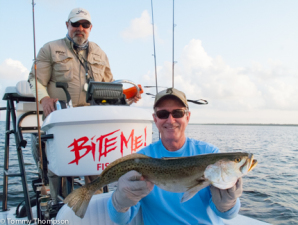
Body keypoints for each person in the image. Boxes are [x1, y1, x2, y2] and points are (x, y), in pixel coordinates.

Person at [27, 7, 140, 202]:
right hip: (61, 121)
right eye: (76, 24)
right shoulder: (50, 48)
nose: (80, 28)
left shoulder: (100, 53)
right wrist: (45, 99)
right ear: (67, 25)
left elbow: (110, 89)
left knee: (96, 169)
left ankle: (92, 207)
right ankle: (58, 205)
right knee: (58, 167)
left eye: (85, 25)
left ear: (90, 27)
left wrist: (127, 99)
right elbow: (35, 80)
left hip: (93, 124)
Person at [107, 88, 243, 224]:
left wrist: (228, 203)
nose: (170, 120)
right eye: (162, 114)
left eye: (178, 113)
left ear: (187, 117)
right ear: (155, 119)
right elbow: (121, 220)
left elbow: (227, 215)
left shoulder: (210, 153)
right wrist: (120, 201)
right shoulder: (141, 159)